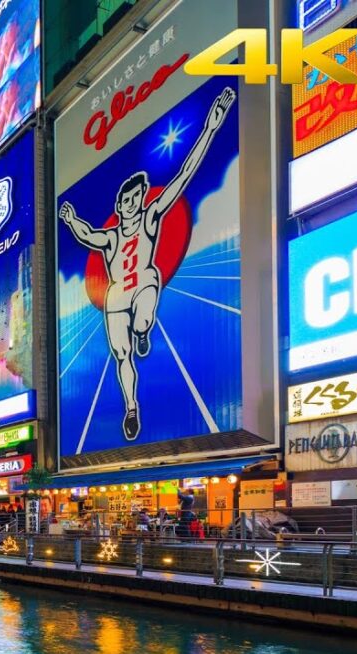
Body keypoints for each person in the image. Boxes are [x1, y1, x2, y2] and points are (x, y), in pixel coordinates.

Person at [59, 87, 237, 441]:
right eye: (127, 199)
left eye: (137, 197)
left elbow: (184, 175)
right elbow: (86, 234)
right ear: (120, 202)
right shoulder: (110, 237)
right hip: (115, 298)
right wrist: (69, 219)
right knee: (121, 356)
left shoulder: (151, 217)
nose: (132, 203)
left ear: (141, 200)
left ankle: (143, 330)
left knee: (148, 282)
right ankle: (131, 408)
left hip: (143, 284)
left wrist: (211, 128)